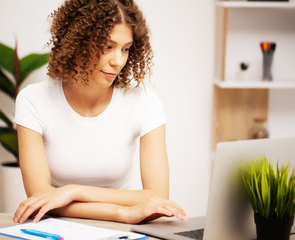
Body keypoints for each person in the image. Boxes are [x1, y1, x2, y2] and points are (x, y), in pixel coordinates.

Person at [13, 0, 186, 224]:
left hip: (121, 231)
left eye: (125, 49)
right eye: (107, 47)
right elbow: (40, 196)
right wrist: (122, 213)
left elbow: (158, 196)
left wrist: (74, 191)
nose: (118, 61)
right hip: (56, 227)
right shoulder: (33, 100)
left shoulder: (144, 102)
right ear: (77, 43)